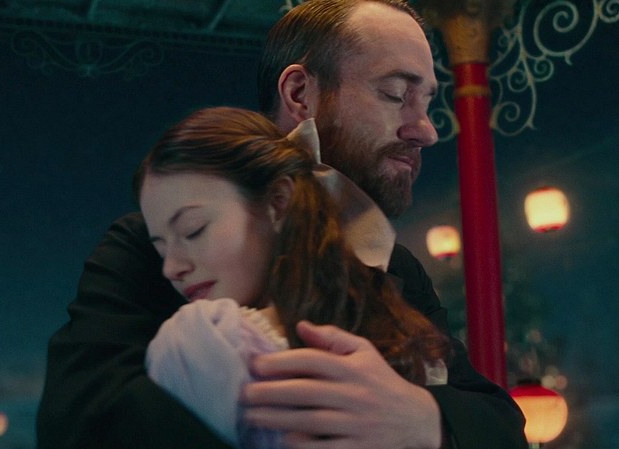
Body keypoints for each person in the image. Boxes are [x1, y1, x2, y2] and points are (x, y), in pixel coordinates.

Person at [37, 1, 528, 448]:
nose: (427, 130)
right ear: (299, 93)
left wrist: (421, 419)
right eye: (396, 94)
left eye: (428, 102)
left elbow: (498, 422)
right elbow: (78, 424)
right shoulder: (147, 251)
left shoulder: (395, 265)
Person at [137, 106, 451, 449]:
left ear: (278, 203)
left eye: (192, 230)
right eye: (160, 248)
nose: (172, 268)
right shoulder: (200, 339)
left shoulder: (204, 339)